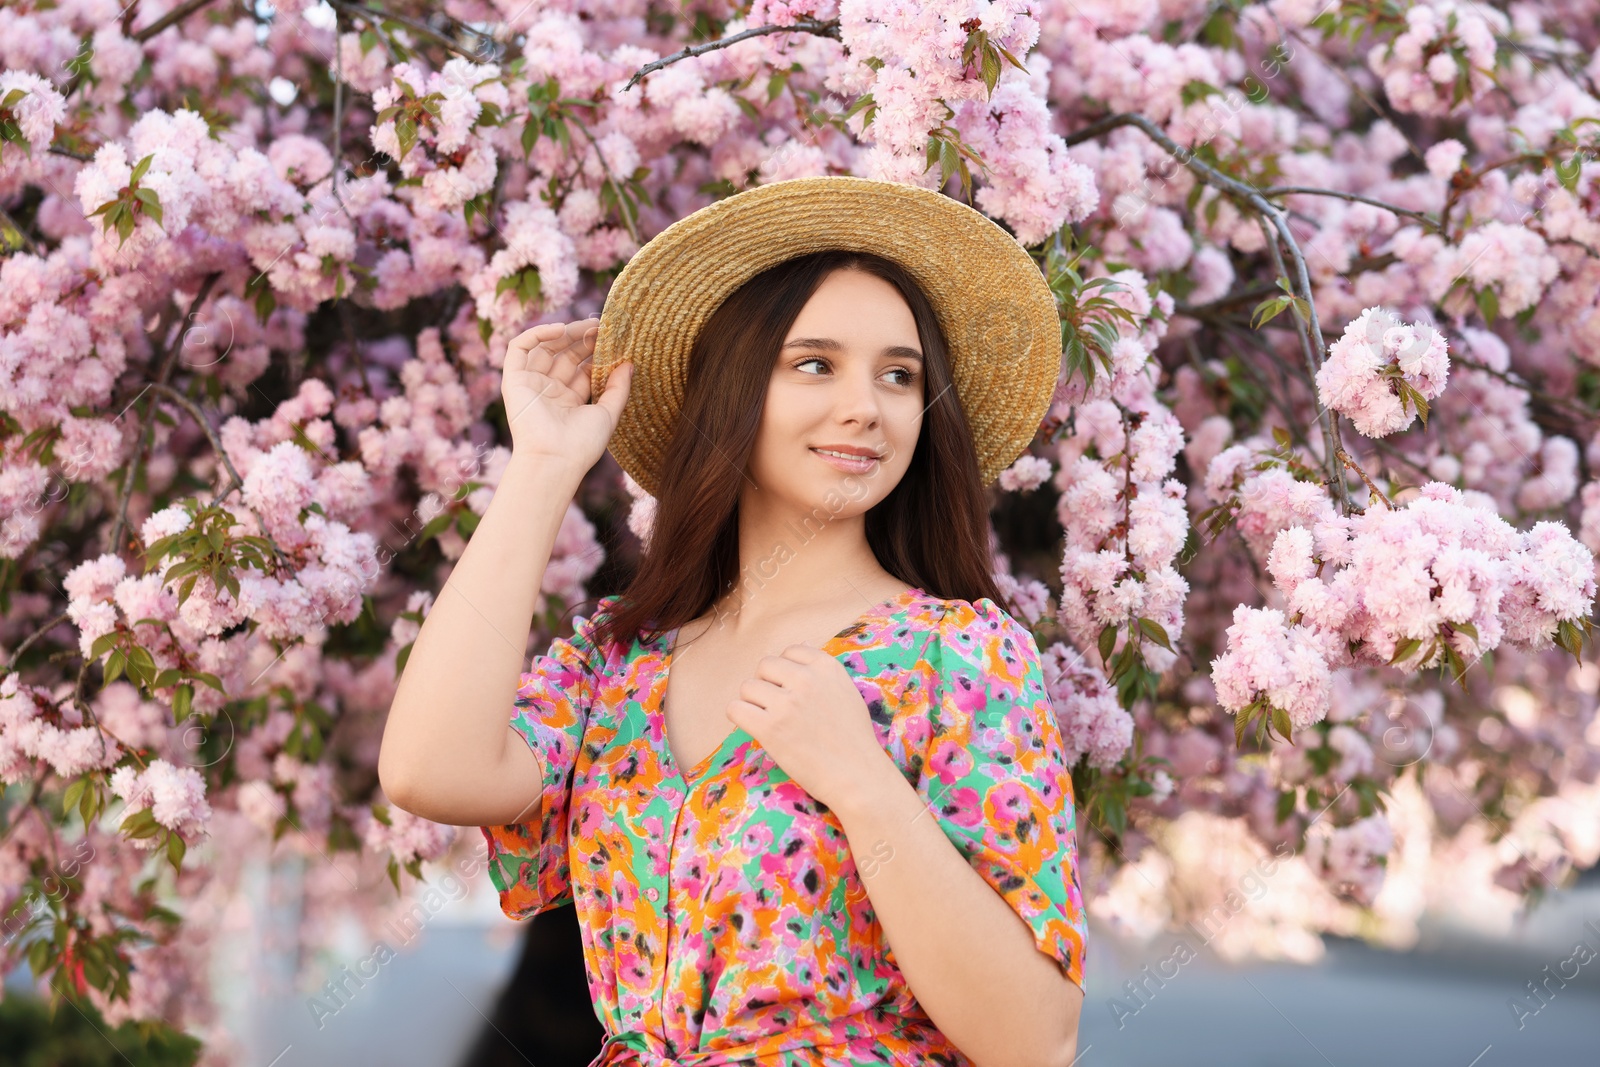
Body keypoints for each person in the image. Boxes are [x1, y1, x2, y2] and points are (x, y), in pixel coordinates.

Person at [379, 176, 1087, 1067]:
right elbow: (424, 769)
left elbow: (1036, 1040)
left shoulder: (961, 658)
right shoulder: (623, 662)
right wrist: (544, 470)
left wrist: (862, 783)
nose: (866, 406)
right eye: (815, 363)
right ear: (735, 388)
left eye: (899, 376)